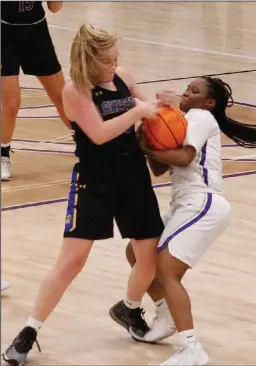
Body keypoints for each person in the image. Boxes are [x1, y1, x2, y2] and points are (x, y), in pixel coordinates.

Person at [2, 24, 165, 366]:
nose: (114, 64)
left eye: (116, 57)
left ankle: (129, 308)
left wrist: (162, 106)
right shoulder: (75, 91)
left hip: (134, 175)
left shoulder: (122, 75)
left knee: (149, 259)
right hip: (95, 180)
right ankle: (29, 331)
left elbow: (144, 104)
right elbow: (100, 133)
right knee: (71, 262)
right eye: (107, 60)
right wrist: (137, 112)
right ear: (89, 59)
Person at [125, 77, 256, 365]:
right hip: (185, 204)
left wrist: (144, 147)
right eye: (187, 88)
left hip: (202, 202)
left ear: (209, 103)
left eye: (194, 91)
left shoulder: (201, 117)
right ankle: (166, 314)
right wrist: (146, 135)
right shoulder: (183, 121)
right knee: (137, 251)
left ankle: (191, 347)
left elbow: (184, 158)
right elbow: (160, 167)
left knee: (166, 271)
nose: (186, 92)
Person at [1, 1, 70, 181]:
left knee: (62, 97)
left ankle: (88, 144)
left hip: (36, 32)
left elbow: (55, 8)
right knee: (11, 103)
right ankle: (3, 154)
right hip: (4, 32)